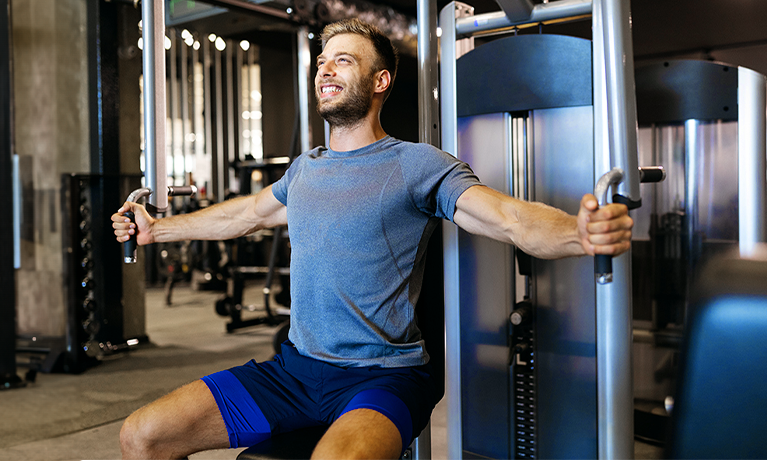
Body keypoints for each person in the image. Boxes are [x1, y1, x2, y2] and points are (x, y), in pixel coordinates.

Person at [112, 18, 633, 460]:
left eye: (343, 60)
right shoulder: (305, 169)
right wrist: (157, 229)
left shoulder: (417, 164)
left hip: (380, 379)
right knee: (142, 437)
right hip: (294, 372)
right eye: (322, 60)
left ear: (380, 80)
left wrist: (580, 232)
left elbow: (509, 219)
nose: (325, 67)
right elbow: (246, 214)